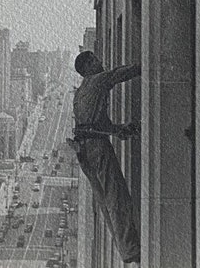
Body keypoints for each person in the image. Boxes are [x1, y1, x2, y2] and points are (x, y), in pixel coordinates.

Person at [68, 51, 141, 264]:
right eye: (96, 60)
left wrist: (119, 129)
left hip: (83, 150)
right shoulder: (97, 80)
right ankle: (130, 249)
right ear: (89, 65)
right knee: (117, 197)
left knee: (105, 200)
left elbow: (96, 124)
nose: (101, 62)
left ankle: (126, 249)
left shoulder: (80, 93)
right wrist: (144, 66)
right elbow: (118, 74)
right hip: (96, 148)